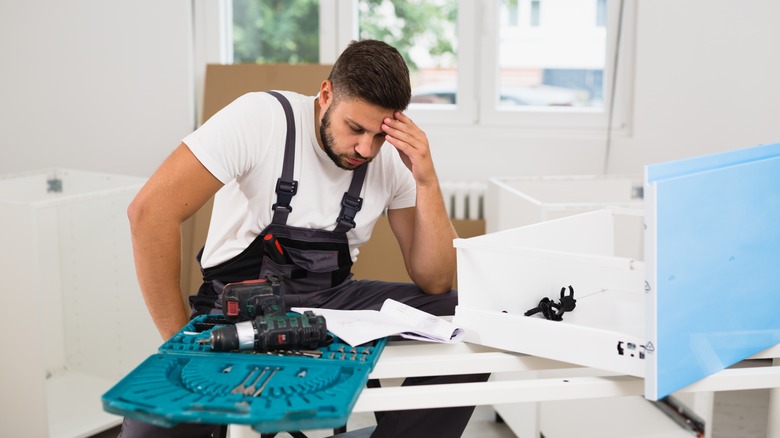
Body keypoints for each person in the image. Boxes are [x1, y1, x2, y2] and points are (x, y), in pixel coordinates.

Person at [123, 39, 487, 438]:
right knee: (153, 427)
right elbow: (149, 213)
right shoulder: (261, 118)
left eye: (379, 135)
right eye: (355, 128)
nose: (365, 149)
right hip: (238, 303)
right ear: (326, 94)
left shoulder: (389, 159)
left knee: (470, 314)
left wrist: (426, 178)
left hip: (334, 304)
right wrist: (178, 345)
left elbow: (435, 281)